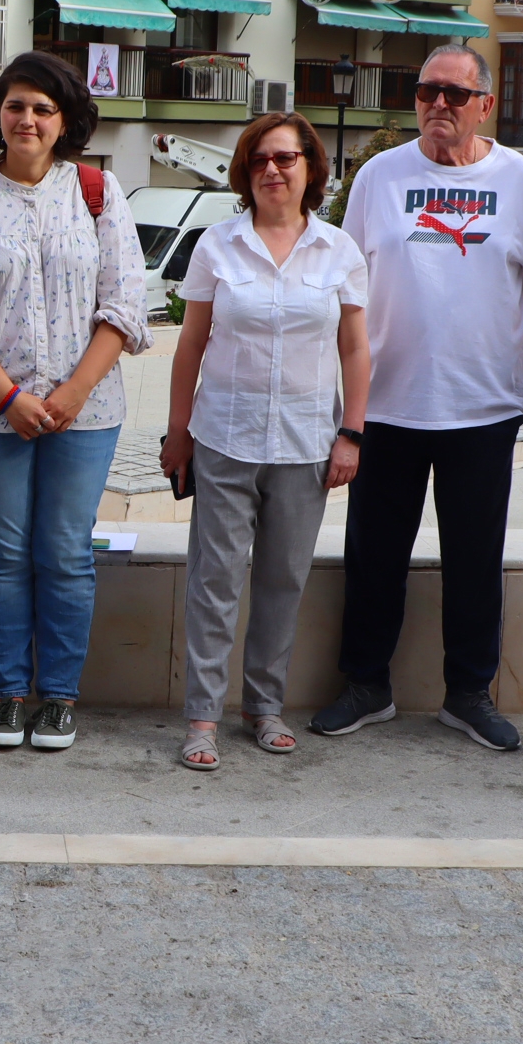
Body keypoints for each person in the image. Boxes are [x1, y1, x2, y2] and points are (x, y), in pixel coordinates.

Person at [312, 44, 523, 751]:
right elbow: (348, 285)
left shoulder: (521, 181)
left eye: (455, 94)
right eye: (426, 92)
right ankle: (366, 684)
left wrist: (481, 331)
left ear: (485, 103)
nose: (438, 105)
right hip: (387, 404)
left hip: (484, 406)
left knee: (476, 560)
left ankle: (469, 693)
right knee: (373, 555)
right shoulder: (379, 177)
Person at [0, 51, 147, 753]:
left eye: (43, 109)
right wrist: (10, 396)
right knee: (4, 552)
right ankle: (10, 695)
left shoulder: (97, 192)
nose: (27, 119)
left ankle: (58, 696)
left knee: (65, 552)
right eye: (16, 105)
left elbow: (125, 301)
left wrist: (75, 391)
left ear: (64, 122)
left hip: (89, 410)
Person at [161, 113, 368, 771]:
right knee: (214, 581)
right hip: (224, 437)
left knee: (283, 580)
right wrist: (176, 433)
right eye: (260, 161)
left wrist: (351, 434)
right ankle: (202, 715)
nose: (273, 170)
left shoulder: (339, 251)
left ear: (310, 167)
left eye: (286, 158)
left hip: (307, 443)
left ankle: (265, 706)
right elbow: (190, 345)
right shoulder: (217, 246)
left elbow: (356, 349)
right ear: (245, 174)